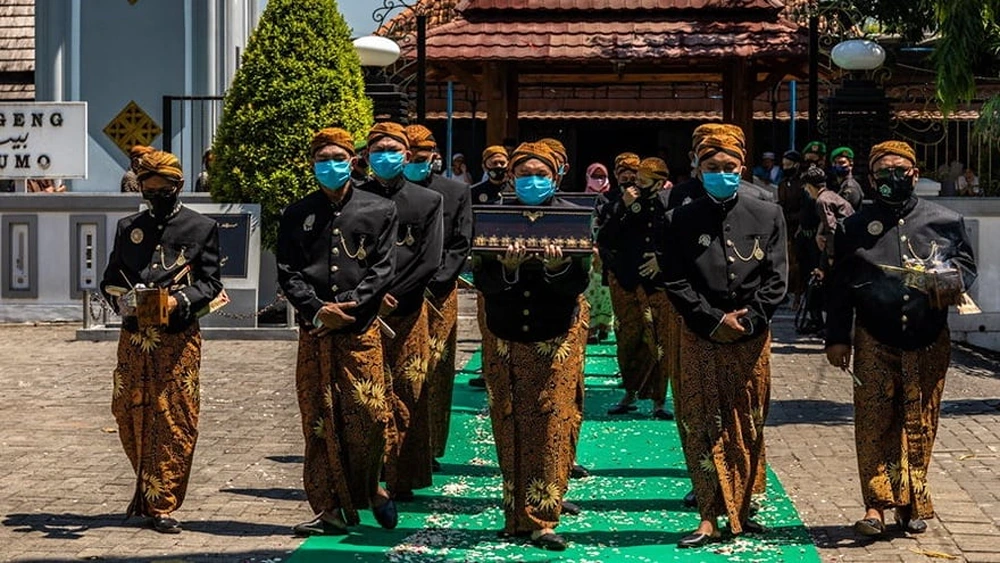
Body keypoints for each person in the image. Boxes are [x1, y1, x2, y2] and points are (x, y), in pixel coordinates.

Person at [825, 140, 977, 538]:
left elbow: (966, 268)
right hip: (875, 335)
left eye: (900, 170)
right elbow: (839, 286)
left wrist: (950, 281)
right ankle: (875, 505)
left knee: (919, 422)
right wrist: (837, 337)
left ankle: (911, 505)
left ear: (914, 172)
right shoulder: (854, 226)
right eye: (883, 171)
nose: (892, 177)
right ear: (872, 177)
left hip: (928, 338)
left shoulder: (944, 220)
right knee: (875, 421)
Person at [660, 125, 787, 548]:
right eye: (712, 167)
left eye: (729, 167)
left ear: (742, 167)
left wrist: (750, 318)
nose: (721, 173)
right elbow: (674, 278)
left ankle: (743, 508)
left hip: (751, 336)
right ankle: (709, 516)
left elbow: (778, 276)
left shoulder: (767, 212)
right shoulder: (678, 217)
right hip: (700, 333)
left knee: (747, 420)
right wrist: (712, 319)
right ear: (698, 169)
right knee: (701, 422)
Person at [277, 128, 400, 536]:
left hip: (359, 328)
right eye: (320, 159)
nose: (329, 165)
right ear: (312, 164)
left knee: (368, 416)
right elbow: (288, 271)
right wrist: (316, 309)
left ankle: (370, 489)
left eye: (336, 158)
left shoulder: (379, 209)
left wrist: (351, 304)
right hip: (315, 331)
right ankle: (327, 508)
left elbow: (383, 268)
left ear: (353, 160)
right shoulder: (296, 213)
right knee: (319, 420)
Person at [473, 141, 590, 551]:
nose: (532, 182)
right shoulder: (491, 217)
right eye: (524, 175)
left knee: (551, 422)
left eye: (541, 175)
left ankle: (543, 518)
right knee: (508, 423)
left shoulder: (573, 219)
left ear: (556, 177)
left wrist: (557, 268)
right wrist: (506, 272)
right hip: (505, 333)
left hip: (554, 334)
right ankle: (514, 515)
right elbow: (483, 279)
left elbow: (579, 283)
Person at [100, 150, 223, 534]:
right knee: (128, 411)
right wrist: (122, 299)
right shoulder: (127, 227)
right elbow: (110, 278)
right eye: (148, 189)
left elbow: (211, 283)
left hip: (177, 339)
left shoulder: (201, 228)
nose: (155, 195)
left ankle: (163, 503)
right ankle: (146, 486)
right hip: (135, 338)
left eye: (162, 189)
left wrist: (177, 301)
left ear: (178, 186)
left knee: (174, 418)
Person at [358, 122, 444, 502]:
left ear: (407, 156)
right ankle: (366, 474)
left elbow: (429, 260)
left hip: (407, 310)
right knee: (366, 394)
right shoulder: (355, 198)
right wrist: (369, 296)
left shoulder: (427, 201)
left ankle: (404, 475)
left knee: (408, 391)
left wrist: (392, 293)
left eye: (393, 150)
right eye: (378, 151)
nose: (386, 157)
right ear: (366, 158)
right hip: (362, 311)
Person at [402, 124, 473, 470]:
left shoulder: (455, 192)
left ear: (434, 156)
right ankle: (398, 442)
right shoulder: (384, 192)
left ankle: (431, 446)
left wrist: (437, 281)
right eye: (410, 156)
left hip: (439, 292)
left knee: (437, 370)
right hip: (395, 294)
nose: (416, 162)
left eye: (422, 156)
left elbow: (461, 243)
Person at [598, 157, 674, 420]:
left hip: (657, 285)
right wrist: (625, 207)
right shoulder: (618, 203)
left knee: (658, 340)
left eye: (643, 181)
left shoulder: (669, 205)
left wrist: (661, 260)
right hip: (627, 280)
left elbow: (679, 241)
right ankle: (629, 393)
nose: (636, 185)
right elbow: (605, 237)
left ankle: (659, 400)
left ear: (660, 183)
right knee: (628, 339)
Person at [777, 150, 804, 309]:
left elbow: (804, 207)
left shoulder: (801, 183)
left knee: (798, 263)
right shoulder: (782, 183)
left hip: (798, 227)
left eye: (788, 165)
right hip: (785, 225)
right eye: (784, 165)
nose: (785, 167)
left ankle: (798, 296)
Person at [828, 146, 862, 211]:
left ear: (851, 164)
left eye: (841, 163)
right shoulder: (839, 186)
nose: (837, 166)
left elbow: (844, 214)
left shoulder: (851, 187)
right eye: (835, 163)